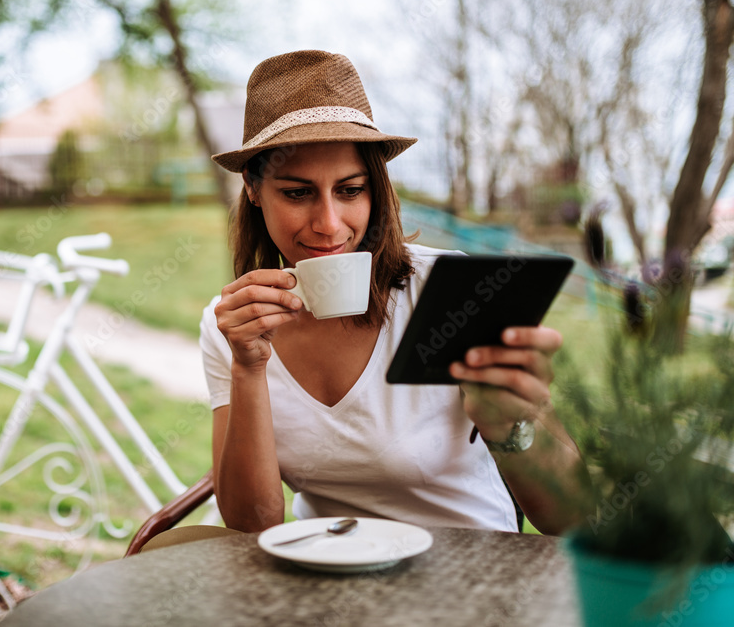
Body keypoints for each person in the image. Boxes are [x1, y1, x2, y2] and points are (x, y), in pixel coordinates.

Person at [200, 50, 589, 537]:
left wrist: (511, 426)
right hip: (325, 578)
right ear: (254, 190)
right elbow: (250, 527)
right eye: (298, 193)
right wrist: (248, 367)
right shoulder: (233, 327)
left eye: (350, 190)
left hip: (471, 575)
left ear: (375, 190)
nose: (328, 225)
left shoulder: (448, 290)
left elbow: (574, 518)